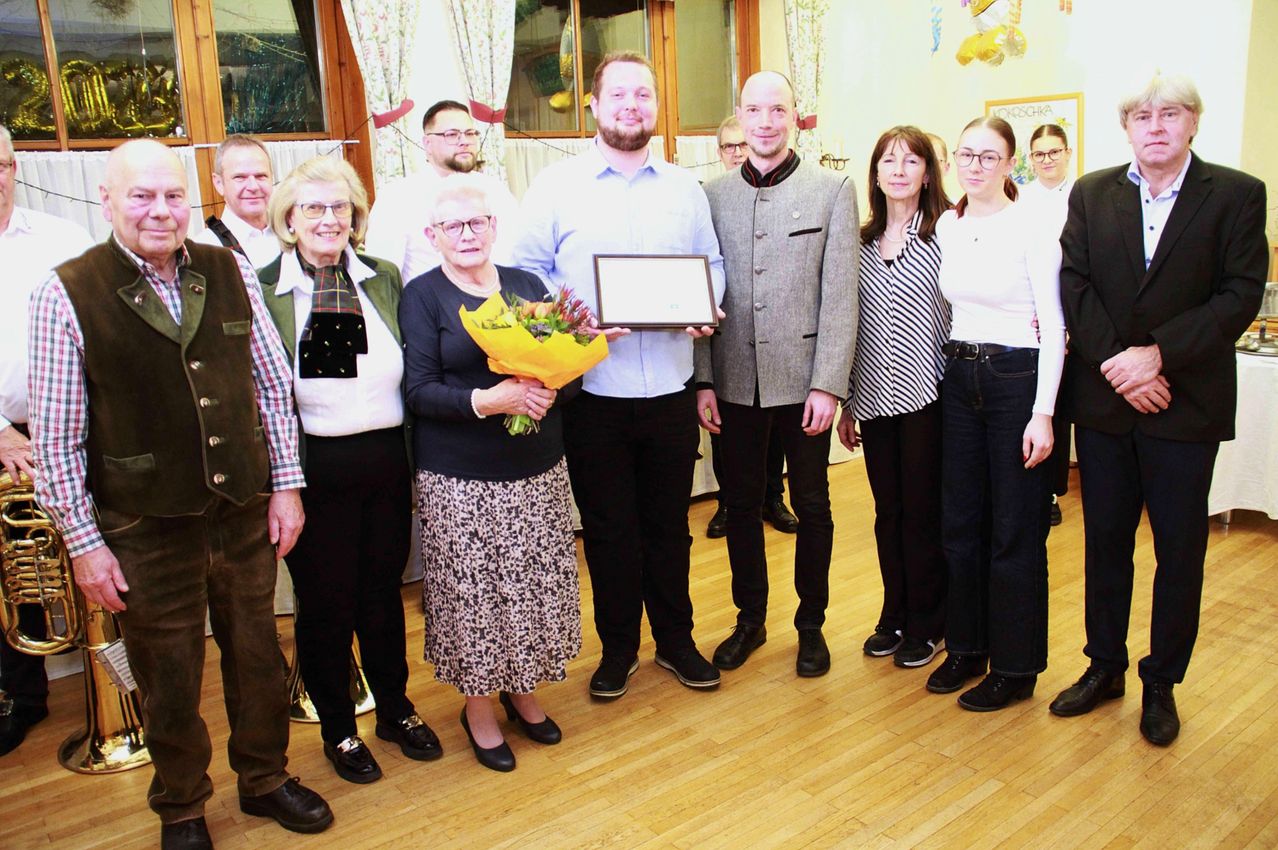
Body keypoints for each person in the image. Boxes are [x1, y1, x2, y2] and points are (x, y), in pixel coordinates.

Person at [28, 139, 332, 850]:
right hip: (142, 525)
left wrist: (286, 485)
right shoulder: (64, 292)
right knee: (167, 677)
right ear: (107, 200)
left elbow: (268, 387)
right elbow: (58, 439)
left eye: (172, 196)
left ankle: (264, 780)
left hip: (244, 512)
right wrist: (84, 544)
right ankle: (183, 807)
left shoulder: (230, 271)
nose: (160, 211)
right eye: (141, 196)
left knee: (259, 656)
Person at [1050, 74, 1267, 746]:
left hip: (1184, 403)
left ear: (1193, 122)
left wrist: (1158, 356)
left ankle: (1161, 682)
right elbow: (1075, 285)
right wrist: (1120, 364)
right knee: (1106, 543)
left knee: (1180, 551)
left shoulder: (1235, 194)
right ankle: (1104, 666)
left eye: (1169, 114)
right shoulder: (1092, 194)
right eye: (1141, 116)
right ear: (1126, 128)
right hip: (1109, 402)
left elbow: (1238, 295)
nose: (1155, 127)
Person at [513, 50, 725, 699]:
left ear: (654, 107)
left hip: (667, 389)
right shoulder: (557, 186)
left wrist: (706, 306)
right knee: (607, 530)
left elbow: (710, 264)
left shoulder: (685, 188)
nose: (632, 106)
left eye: (643, 95)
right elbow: (524, 278)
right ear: (595, 107)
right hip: (592, 394)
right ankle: (619, 650)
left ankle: (677, 642)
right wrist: (573, 325)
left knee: (669, 526)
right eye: (620, 96)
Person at [255, 155, 440, 784]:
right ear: (288, 219)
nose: (329, 219)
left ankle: (395, 709)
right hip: (314, 470)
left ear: (357, 216)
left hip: (388, 461)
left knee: (383, 597)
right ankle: (338, 728)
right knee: (326, 606)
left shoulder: (383, 277)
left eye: (340, 207)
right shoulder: (263, 289)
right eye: (313, 208)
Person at [401, 176, 581, 772]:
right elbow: (420, 391)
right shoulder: (423, 296)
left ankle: (522, 691)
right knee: (476, 596)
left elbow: (565, 366)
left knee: (530, 587)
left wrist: (552, 384)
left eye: (477, 222)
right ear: (433, 236)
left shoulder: (528, 285)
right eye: (453, 226)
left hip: (537, 466)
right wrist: (491, 400)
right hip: (459, 475)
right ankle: (478, 710)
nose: (468, 233)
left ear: (494, 227)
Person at [698, 71, 858, 678]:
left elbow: (841, 298)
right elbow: (700, 297)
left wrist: (829, 385)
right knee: (739, 506)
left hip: (805, 384)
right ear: (739, 115)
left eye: (778, 109)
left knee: (812, 505)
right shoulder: (710, 195)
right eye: (754, 110)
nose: (766, 121)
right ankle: (750, 621)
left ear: (795, 115)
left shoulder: (832, 189)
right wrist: (702, 380)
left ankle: (810, 625)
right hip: (732, 381)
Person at [924, 116, 1064, 711]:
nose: (976, 166)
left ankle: (1015, 665)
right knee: (960, 524)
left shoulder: (1031, 226)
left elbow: (1054, 326)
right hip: (960, 376)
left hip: (1016, 380)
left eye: (989, 156)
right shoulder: (948, 227)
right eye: (966, 155)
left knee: (1014, 529)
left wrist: (1044, 413)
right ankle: (967, 645)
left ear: (1012, 165)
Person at [836, 125, 951, 669]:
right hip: (875, 398)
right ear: (875, 173)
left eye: (911, 161)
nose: (899, 170)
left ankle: (930, 622)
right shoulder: (858, 243)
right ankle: (895, 613)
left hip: (930, 396)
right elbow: (851, 326)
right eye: (888, 161)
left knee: (923, 515)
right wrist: (849, 403)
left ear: (927, 172)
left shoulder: (946, 233)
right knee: (888, 513)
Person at [0, 123, 94, 757]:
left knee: (98, 557)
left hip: (79, 423)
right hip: (3, 434)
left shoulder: (63, 238)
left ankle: (121, 689)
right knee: (18, 574)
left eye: (1, 163)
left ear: (14, 167)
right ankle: (22, 697)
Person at [705, 115, 797, 539]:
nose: (738, 152)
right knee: (728, 442)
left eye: (743, 145)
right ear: (719, 153)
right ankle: (729, 501)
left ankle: (773, 498)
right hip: (729, 345)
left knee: (775, 436)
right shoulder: (708, 199)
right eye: (729, 147)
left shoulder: (786, 193)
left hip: (779, 345)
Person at [365, 100, 521, 283]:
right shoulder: (397, 198)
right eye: (452, 135)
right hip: (428, 308)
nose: (464, 142)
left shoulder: (496, 191)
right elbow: (382, 280)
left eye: (470, 133)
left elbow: (516, 258)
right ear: (427, 143)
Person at [1021, 123, 1076, 527]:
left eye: (1053, 152)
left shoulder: (1083, 198)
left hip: (1069, 312)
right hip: (1030, 318)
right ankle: (1033, 487)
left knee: (1058, 410)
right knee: (1032, 405)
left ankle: (1054, 489)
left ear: (1067, 153)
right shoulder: (1019, 199)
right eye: (1039, 154)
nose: (1047, 160)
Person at [194, 134, 281, 269]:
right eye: (240, 177)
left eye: (261, 176)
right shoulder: (204, 250)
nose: (253, 186)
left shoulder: (295, 235)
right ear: (219, 183)